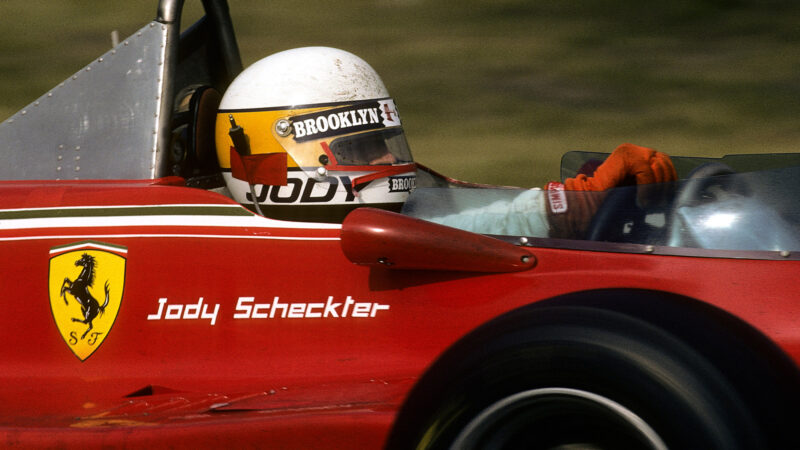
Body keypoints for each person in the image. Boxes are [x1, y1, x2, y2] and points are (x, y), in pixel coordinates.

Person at [215, 47, 677, 237]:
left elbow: (455, 215)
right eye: (359, 149)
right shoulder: (272, 252)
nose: (388, 158)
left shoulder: (391, 213)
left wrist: (580, 201)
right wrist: (577, 205)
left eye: (385, 139)